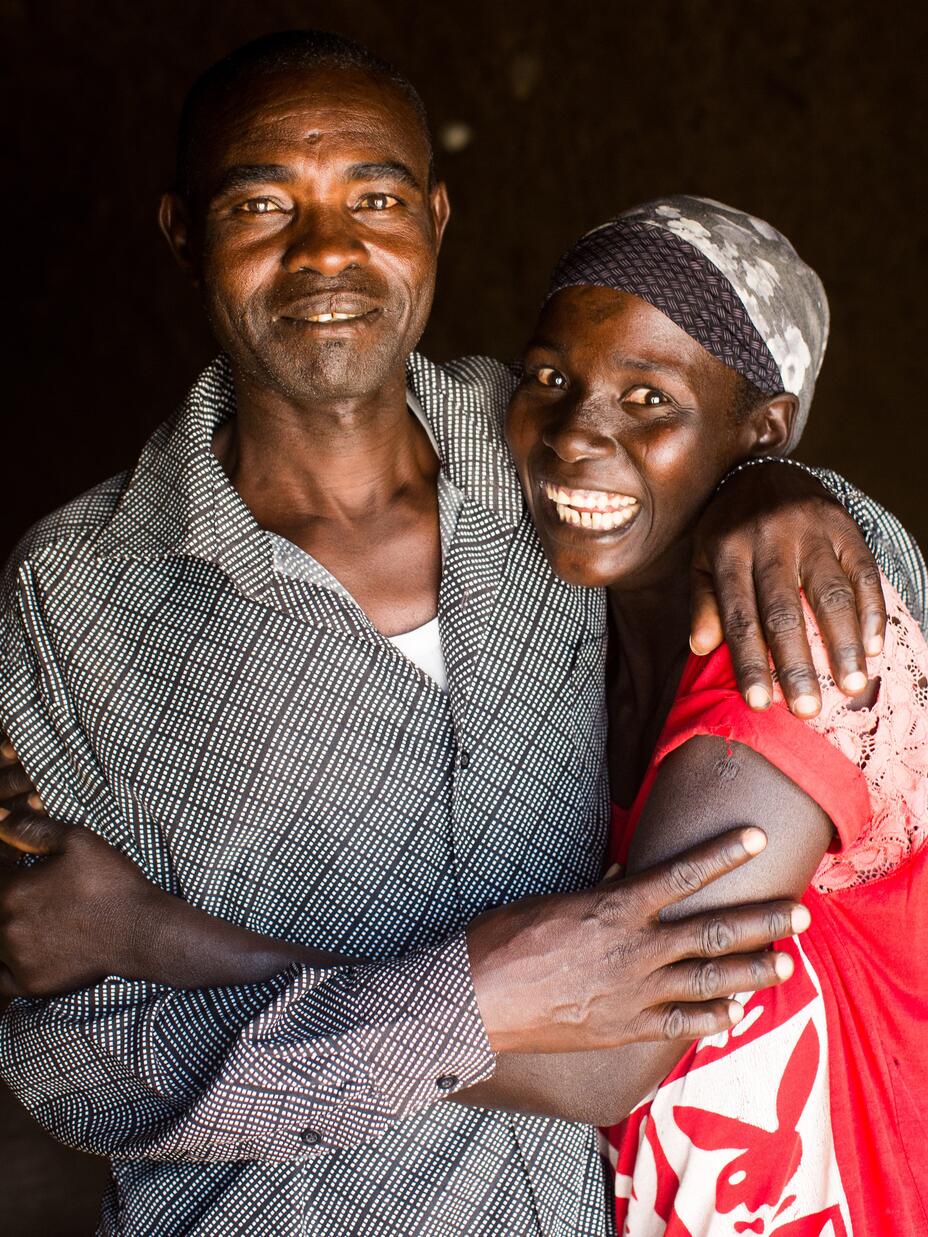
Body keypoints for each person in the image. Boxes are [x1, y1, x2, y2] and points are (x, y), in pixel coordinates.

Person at [0, 31, 924, 1237]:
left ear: (435, 217)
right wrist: (480, 997)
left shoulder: (547, 471)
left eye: (373, 198)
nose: (326, 250)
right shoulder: (73, 599)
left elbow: (718, 468)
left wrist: (775, 483)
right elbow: (70, 1056)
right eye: (263, 202)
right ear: (184, 230)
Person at [500, 196, 928, 1231]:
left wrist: (168, 952)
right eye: (552, 379)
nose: (573, 434)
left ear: (763, 428)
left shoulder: (802, 652)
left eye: (648, 397)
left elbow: (609, 1054)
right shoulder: (563, 651)